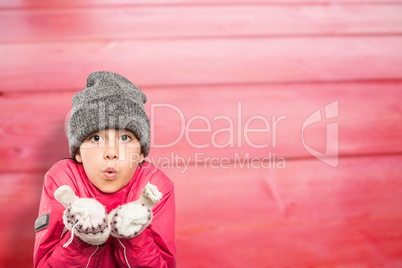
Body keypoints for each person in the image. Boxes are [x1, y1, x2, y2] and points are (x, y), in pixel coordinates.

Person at [33, 71, 176, 267]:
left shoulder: (155, 187)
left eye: (125, 138)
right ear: (78, 152)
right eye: (96, 138)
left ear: (141, 153)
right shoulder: (62, 180)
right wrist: (81, 241)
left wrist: (133, 237)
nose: (111, 152)